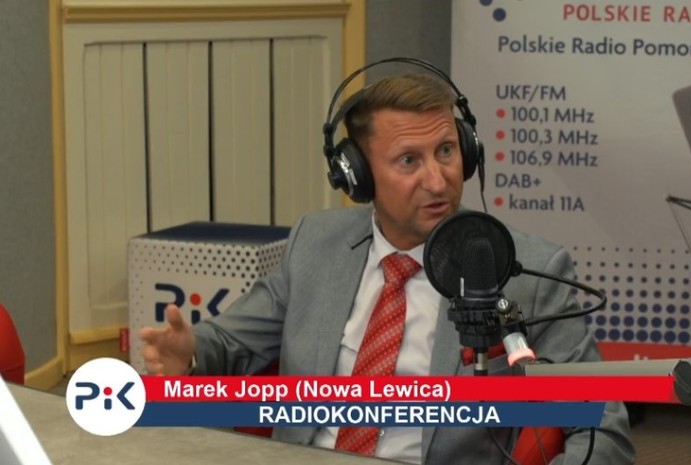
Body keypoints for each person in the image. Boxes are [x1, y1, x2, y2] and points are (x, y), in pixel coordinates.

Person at [140, 66, 635, 465]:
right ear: (357, 175)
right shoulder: (315, 244)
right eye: (408, 161)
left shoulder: (528, 270)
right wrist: (191, 354)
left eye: (446, 151)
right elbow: (229, 345)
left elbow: (603, 428)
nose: (438, 181)